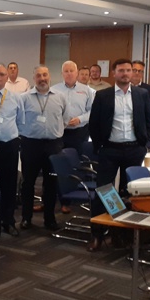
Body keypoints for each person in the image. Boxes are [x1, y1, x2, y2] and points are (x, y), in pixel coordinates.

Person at [88, 58, 150, 252]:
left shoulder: (142, 94)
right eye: (121, 70)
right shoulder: (103, 95)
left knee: (130, 193)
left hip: (135, 150)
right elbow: (94, 124)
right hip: (110, 149)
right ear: (114, 73)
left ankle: (123, 235)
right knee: (104, 191)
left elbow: (148, 122)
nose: (126, 73)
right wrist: (100, 146)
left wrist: (147, 145)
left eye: (129, 70)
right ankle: (98, 234)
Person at [18, 65, 67, 231]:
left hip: (53, 145)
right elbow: (19, 120)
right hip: (31, 145)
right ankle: (26, 218)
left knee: (51, 183)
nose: (42, 78)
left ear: (50, 77)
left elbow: (65, 119)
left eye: (45, 75)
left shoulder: (60, 97)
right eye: (38, 76)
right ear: (34, 79)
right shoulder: (24, 98)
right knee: (28, 183)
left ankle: (50, 218)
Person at [51, 61, 93, 214]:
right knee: (59, 166)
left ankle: (75, 197)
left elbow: (92, 111)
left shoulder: (87, 91)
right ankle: (62, 201)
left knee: (75, 165)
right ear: (62, 74)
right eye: (66, 71)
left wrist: (80, 119)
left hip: (78, 132)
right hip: (60, 133)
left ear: (77, 73)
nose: (69, 73)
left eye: (71, 71)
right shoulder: (54, 90)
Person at [0, 64, 22, 236]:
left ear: (7, 77)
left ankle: (8, 220)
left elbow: (21, 121)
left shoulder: (16, 97)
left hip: (9, 144)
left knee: (9, 184)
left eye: (1, 74)